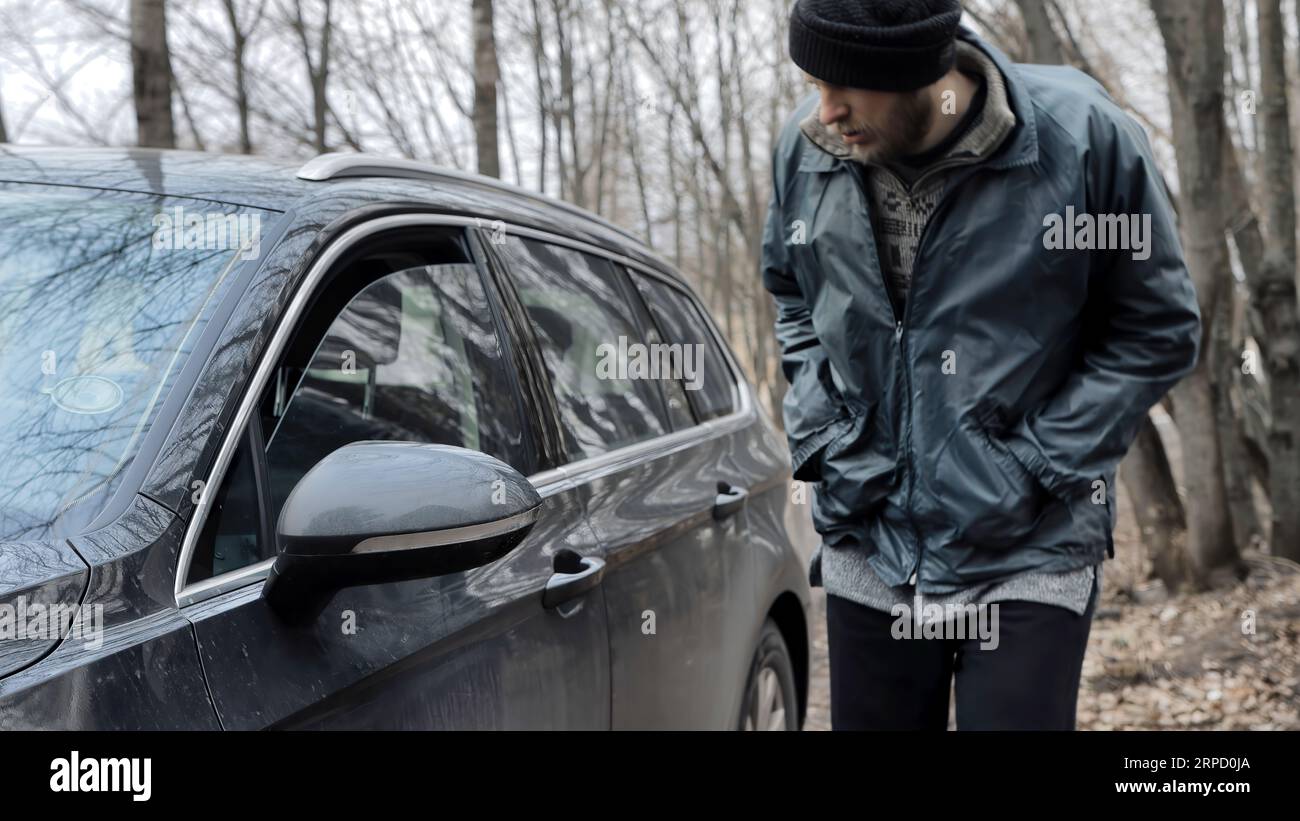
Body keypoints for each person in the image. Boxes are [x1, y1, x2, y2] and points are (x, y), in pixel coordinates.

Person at [762, 0, 1201, 730]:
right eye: (814, 81)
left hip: (1029, 541)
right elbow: (792, 294)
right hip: (869, 536)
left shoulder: (1081, 140)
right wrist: (827, 428)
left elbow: (1157, 328)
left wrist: (1038, 462)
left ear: (918, 71)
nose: (826, 110)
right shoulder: (807, 152)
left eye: (847, 85)